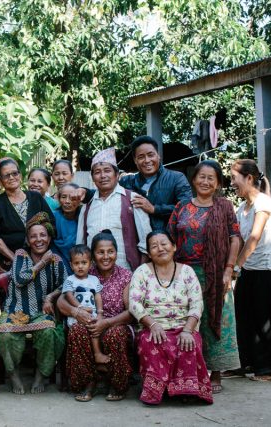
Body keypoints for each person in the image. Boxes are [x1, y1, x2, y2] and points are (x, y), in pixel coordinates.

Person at [168, 160, 241, 393]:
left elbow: (235, 238)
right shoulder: (181, 207)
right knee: (186, 320)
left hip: (217, 273)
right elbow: (170, 238)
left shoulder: (225, 207)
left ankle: (216, 372)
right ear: (194, 179)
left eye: (211, 178)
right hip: (185, 273)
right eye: (202, 176)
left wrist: (229, 269)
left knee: (216, 319)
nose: (206, 181)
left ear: (218, 183)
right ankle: (190, 371)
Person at [129, 230, 212, 405]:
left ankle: (186, 390)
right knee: (151, 342)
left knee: (189, 342)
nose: (160, 248)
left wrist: (188, 330)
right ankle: (156, 391)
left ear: (174, 247)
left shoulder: (187, 272)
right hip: (151, 327)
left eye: (164, 244)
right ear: (149, 253)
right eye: (154, 246)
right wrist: (152, 325)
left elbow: (197, 303)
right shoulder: (142, 272)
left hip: (184, 326)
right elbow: (134, 304)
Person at [58, 230, 133, 402]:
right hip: (88, 322)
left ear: (116, 252)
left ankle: (117, 383)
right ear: (93, 256)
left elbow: (131, 312)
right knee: (77, 330)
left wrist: (106, 322)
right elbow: (61, 301)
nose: (106, 256)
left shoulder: (126, 276)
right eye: (100, 252)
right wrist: (77, 312)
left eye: (110, 251)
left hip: (116, 323)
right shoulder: (83, 271)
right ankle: (88, 382)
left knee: (114, 335)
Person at [0, 213, 65, 395]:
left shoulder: (56, 260)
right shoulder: (21, 255)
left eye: (43, 235)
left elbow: (65, 285)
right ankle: (13, 375)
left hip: (40, 312)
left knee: (49, 332)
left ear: (49, 238)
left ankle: (41, 375)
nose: (38, 240)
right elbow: (19, 279)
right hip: (15, 310)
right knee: (5, 334)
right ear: (27, 239)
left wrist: (50, 297)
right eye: (33, 236)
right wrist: (41, 263)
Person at [230, 159, 271, 380]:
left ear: (248, 178)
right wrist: (232, 265)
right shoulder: (242, 208)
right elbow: (239, 240)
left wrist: (235, 267)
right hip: (248, 269)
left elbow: (254, 238)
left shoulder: (263, 203)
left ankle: (269, 369)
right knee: (242, 315)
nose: (231, 183)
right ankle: (245, 363)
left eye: (233, 178)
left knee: (264, 318)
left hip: (267, 270)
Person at [76, 147, 151, 271]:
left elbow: (146, 242)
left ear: (116, 175)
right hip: (93, 278)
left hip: (128, 274)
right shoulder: (87, 206)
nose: (103, 175)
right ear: (93, 178)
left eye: (107, 170)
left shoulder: (132, 199)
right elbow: (80, 244)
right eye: (97, 172)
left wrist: (140, 275)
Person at [0, 158, 55, 271]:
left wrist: (42, 255)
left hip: (43, 260)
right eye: (6, 175)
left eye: (15, 173)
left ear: (20, 175)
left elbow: (51, 225)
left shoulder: (35, 197)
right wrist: (15, 259)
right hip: (11, 264)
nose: (11, 177)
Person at [120, 136, 192, 230]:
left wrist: (154, 209)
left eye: (150, 155)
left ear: (158, 156)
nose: (147, 160)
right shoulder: (126, 182)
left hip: (166, 241)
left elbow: (187, 209)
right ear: (135, 160)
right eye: (141, 157)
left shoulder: (177, 178)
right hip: (137, 241)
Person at [63, 245, 107, 365]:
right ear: (71, 265)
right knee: (81, 333)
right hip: (77, 316)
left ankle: (97, 354)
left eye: (84, 262)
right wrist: (80, 308)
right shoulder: (70, 280)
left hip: (92, 313)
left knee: (94, 330)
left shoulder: (94, 280)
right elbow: (69, 295)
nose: (80, 266)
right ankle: (86, 363)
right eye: (76, 263)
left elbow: (97, 296)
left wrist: (99, 312)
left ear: (90, 264)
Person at [53, 182, 82, 273]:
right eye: (64, 197)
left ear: (80, 199)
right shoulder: (53, 217)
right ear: (59, 199)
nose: (67, 201)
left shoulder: (84, 217)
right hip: (58, 262)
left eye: (72, 197)